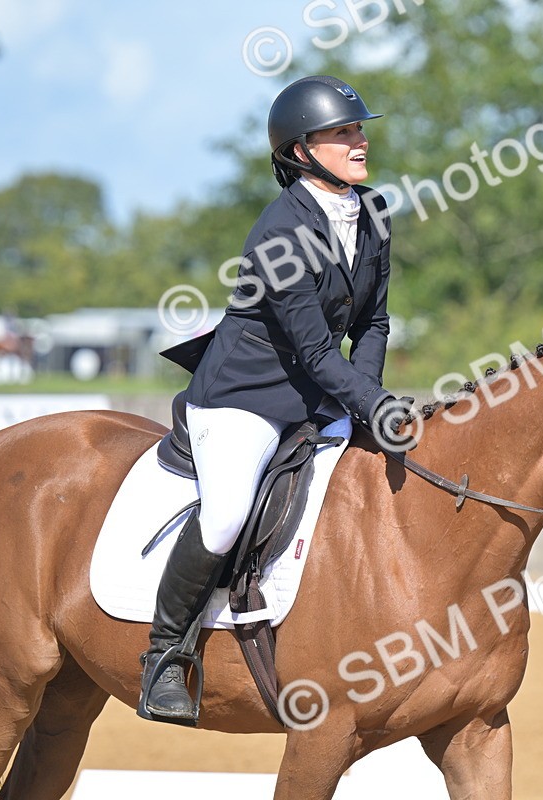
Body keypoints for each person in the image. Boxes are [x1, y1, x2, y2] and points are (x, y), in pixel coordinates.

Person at [139, 75, 414, 725]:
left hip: (320, 394)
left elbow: (373, 322)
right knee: (227, 513)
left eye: (358, 128)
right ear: (300, 150)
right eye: (342, 132)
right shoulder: (280, 231)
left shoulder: (372, 212)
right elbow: (315, 350)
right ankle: (165, 655)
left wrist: (370, 400)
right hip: (244, 397)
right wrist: (368, 404)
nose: (360, 140)